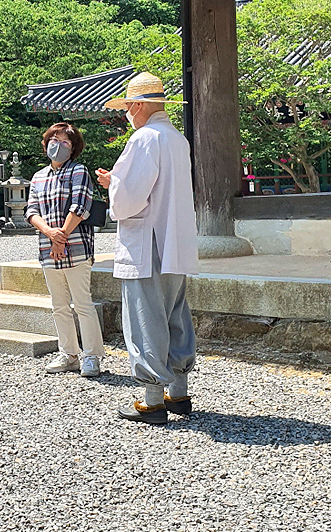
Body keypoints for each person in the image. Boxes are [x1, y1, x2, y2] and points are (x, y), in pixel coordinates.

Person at [97, 72, 199, 425]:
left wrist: (113, 186)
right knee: (175, 313)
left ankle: (152, 399)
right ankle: (179, 392)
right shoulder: (176, 138)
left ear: (138, 105)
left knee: (145, 318)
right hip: (175, 239)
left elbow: (128, 201)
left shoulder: (144, 138)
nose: (127, 112)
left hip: (147, 243)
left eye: (128, 105)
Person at [25, 122, 105, 378]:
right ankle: (68, 353)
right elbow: (31, 211)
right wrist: (51, 234)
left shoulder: (79, 171)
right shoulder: (38, 176)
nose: (58, 146)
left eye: (65, 143)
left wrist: (60, 238)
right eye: (54, 140)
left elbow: (79, 207)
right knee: (58, 304)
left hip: (77, 247)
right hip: (48, 248)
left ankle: (92, 356)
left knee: (83, 303)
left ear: (73, 149)